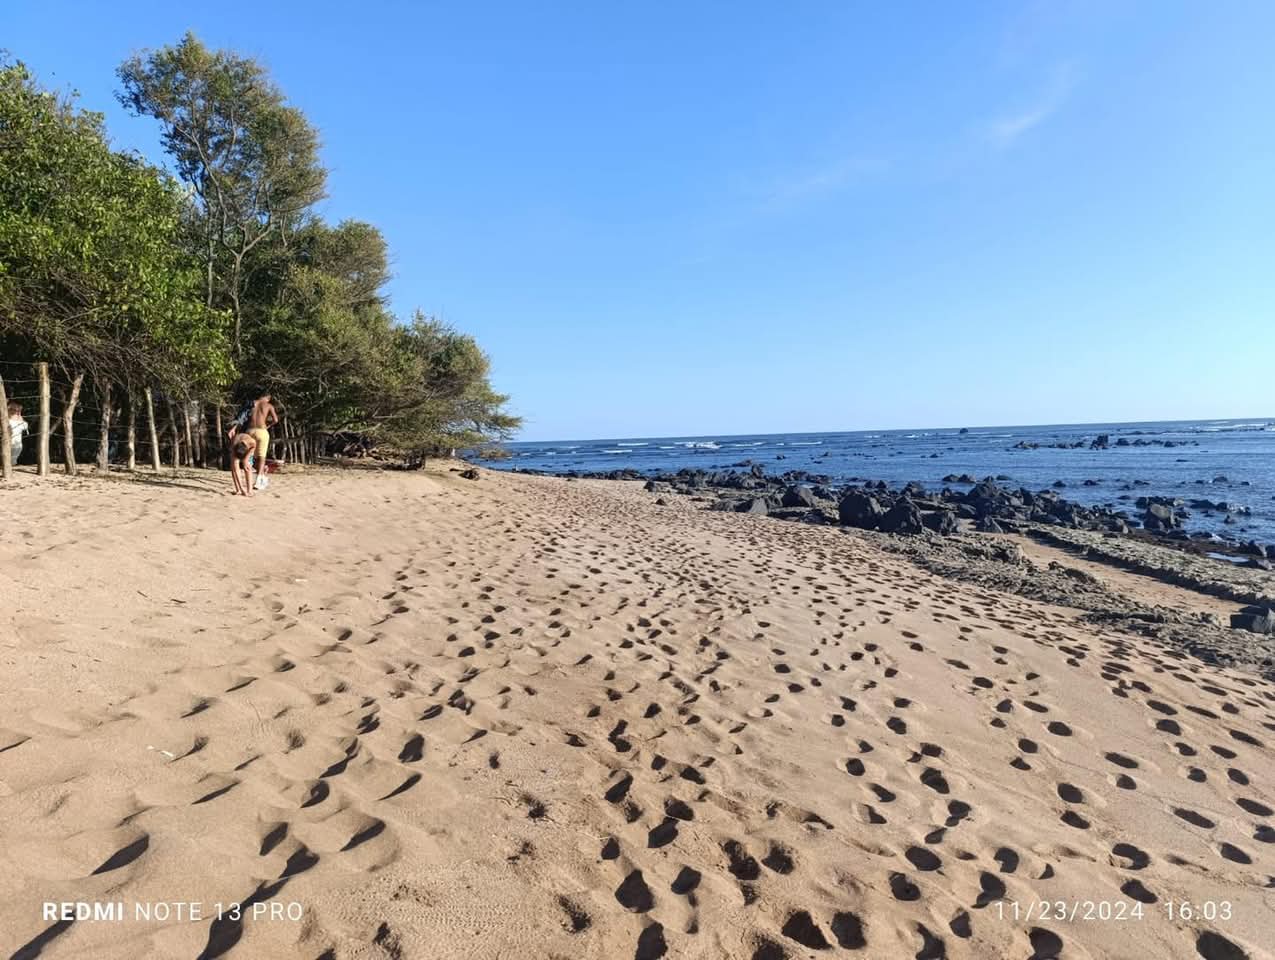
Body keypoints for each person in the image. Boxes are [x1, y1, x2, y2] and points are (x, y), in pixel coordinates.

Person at [228, 430, 257, 496]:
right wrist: (241, 488)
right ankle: (238, 490)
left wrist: (245, 460)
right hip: (236, 445)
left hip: (249, 449)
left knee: (248, 467)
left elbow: (253, 449)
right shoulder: (234, 445)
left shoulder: (252, 442)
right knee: (234, 468)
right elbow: (236, 470)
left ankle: (250, 491)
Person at [7, 402, 28, 466]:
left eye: (19, 411)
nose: (18, 413)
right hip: (9, 443)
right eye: (16, 411)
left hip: (18, 444)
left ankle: (12, 465)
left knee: (14, 458)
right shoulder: (7, 421)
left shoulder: (20, 421)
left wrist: (20, 419)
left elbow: (25, 427)